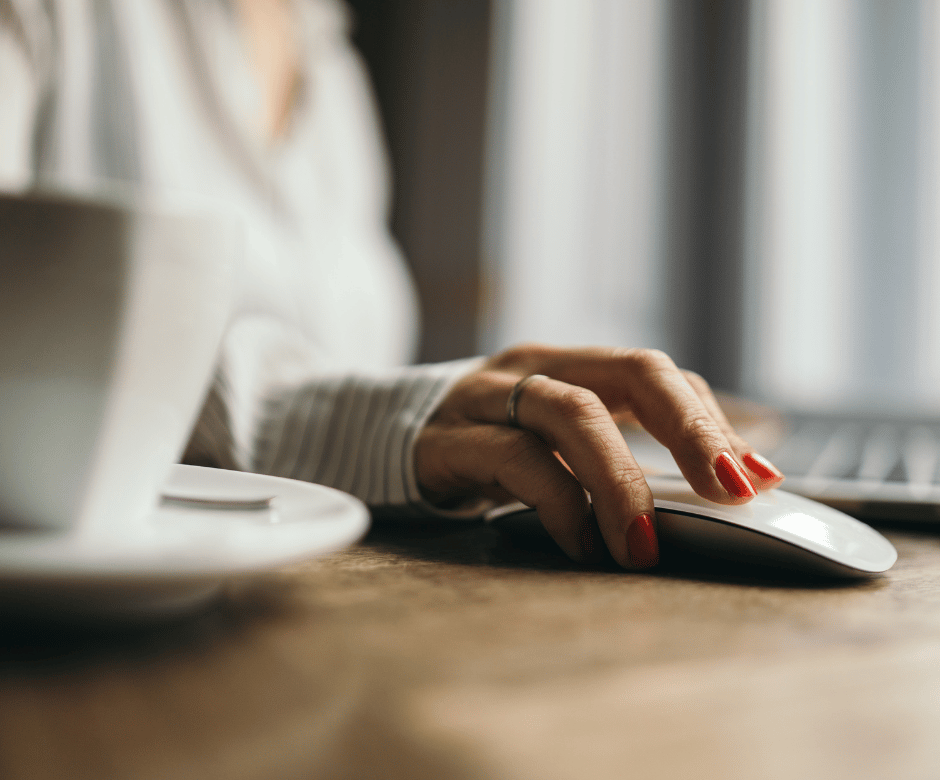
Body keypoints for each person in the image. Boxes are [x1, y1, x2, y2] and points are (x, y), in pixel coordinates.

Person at [0, 0, 784, 570]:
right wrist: (376, 422)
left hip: (317, 601)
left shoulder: (329, 56)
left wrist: (499, 423)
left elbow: (346, 360)